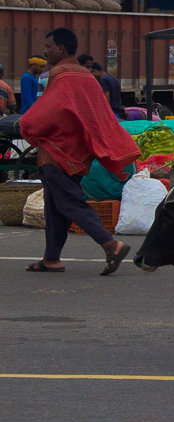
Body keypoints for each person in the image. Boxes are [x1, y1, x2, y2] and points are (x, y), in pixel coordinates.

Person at [17, 27, 139, 275]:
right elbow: (98, 115)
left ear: (61, 49)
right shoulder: (85, 76)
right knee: (55, 205)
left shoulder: (60, 74)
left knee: (69, 202)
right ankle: (52, 259)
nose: (45, 51)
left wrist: (24, 125)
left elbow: (51, 110)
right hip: (78, 153)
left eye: (48, 46)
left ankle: (110, 244)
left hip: (57, 152)